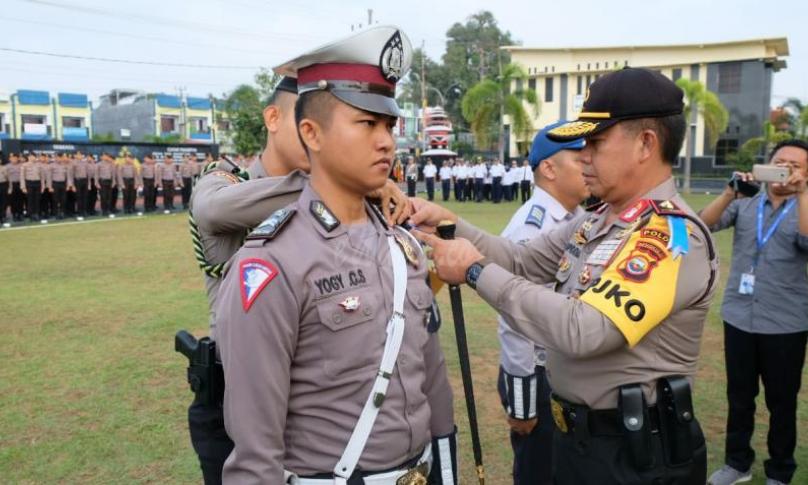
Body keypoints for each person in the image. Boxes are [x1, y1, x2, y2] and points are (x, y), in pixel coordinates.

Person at [411, 67, 719, 484]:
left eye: (595, 142)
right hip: (579, 440)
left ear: (646, 144)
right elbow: (521, 262)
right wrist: (450, 222)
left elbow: (583, 329)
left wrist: (474, 270)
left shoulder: (668, 236)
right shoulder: (598, 220)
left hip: (633, 456)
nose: (584, 156)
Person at [215, 25, 456, 484]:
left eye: (388, 124)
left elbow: (432, 382)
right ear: (312, 133)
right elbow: (254, 452)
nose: (386, 140)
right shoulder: (272, 264)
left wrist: (449, 469)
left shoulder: (403, 245)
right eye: (366, 123)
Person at [700, 139, 808, 485]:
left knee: (782, 402)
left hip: (786, 323)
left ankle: (780, 470)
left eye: (796, 164)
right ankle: (737, 463)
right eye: (780, 161)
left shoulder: (805, 206)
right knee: (740, 397)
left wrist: (803, 193)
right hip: (739, 317)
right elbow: (704, 225)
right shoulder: (747, 202)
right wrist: (730, 192)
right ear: (767, 164)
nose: (786, 168)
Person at [495, 121, 588, 485]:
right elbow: (514, 318)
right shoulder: (531, 228)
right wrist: (523, 399)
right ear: (549, 168)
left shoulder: (581, 219)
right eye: (580, 157)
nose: (590, 162)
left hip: (570, 369)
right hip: (537, 374)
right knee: (538, 472)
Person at [21, 153, 46, 221]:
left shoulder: (39, 165)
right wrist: (23, 187)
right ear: (28, 157)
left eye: (33, 156)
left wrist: (43, 187)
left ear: (35, 157)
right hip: (29, 183)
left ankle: (36, 214)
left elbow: (42, 177)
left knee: (37, 200)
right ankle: (31, 214)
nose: (32, 158)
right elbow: (22, 177)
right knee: (30, 200)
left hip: (37, 184)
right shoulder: (24, 165)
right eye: (30, 156)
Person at [49, 153, 74, 220]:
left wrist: (69, 185)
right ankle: (55, 214)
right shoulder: (51, 165)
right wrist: (50, 186)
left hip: (63, 184)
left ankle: (63, 213)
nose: (59, 159)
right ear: (56, 158)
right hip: (55, 184)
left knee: (63, 199)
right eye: (58, 157)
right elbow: (49, 177)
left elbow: (68, 176)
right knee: (55, 200)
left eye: (61, 157)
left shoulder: (65, 166)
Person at [95, 153, 117, 217]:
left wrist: (114, 182)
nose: (106, 157)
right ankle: (103, 210)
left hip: (109, 182)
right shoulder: (98, 164)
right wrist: (96, 183)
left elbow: (113, 174)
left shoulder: (111, 164)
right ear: (101, 157)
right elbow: (96, 174)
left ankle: (108, 210)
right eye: (104, 156)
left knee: (109, 197)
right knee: (103, 197)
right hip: (102, 182)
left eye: (107, 156)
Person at [72, 152, 91, 219]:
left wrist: (89, 184)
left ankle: (84, 211)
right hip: (77, 181)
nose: (80, 156)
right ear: (75, 155)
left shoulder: (85, 163)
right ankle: (79, 212)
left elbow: (88, 174)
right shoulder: (73, 163)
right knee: (79, 197)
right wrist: (73, 185)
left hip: (84, 181)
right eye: (78, 154)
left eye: (81, 154)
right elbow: (71, 175)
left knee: (85, 197)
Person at [7, 153, 25, 221]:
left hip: (20, 184)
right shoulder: (7, 166)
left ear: (18, 158)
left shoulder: (22, 166)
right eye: (12, 158)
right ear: (10, 159)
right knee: (13, 200)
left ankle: (20, 214)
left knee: (21, 200)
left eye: (15, 158)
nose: (14, 159)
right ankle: (14, 214)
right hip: (11, 185)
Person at [0, 160, 8, 225]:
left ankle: (3, 217)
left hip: (3, 185)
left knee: (3, 202)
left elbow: (8, 178)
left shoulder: (4, 168)